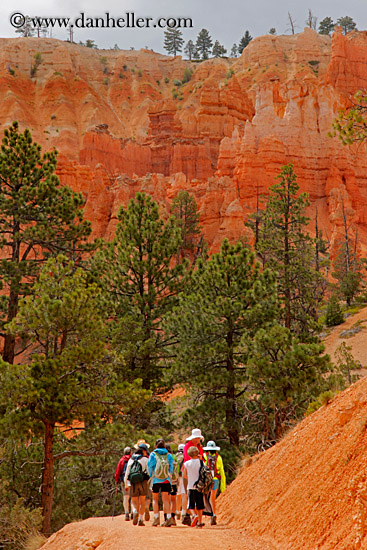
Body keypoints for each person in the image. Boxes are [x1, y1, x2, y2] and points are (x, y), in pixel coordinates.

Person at [148, 439, 174, 527]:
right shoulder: (168, 455)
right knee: (166, 499)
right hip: (166, 480)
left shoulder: (153, 454)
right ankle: (169, 518)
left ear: (155, 446)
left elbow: (150, 466)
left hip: (155, 479)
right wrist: (168, 475)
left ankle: (156, 519)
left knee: (155, 499)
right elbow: (171, 467)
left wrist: (151, 476)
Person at [182, 429, 204, 525]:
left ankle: (194, 517)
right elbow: (187, 458)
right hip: (191, 472)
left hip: (194, 474)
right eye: (196, 438)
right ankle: (189, 516)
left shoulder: (199, 447)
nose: (197, 440)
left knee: (192, 497)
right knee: (190, 497)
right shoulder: (187, 446)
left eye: (198, 438)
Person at [124, 443, 150, 526]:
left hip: (133, 483)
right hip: (142, 482)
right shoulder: (145, 459)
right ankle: (140, 519)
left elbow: (127, 473)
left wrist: (126, 483)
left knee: (134, 501)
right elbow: (148, 472)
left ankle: (135, 511)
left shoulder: (131, 460)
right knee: (142, 501)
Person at [203, 440, 226, 525]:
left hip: (206, 479)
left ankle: (204, 514)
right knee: (212, 498)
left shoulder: (204, 456)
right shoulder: (219, 458)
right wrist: (223, 487)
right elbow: (222, 472)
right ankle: (214, 514)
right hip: (215, 479)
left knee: (205, 497)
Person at [134, 439, 151, 522]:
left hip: (135, 480)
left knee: (136, 498)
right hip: (145, 480)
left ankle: (135, 511)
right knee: (146, 496)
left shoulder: (133, 458)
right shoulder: (148, 457)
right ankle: (146, 507)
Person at [114, 446, 132, 521]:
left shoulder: (122, 460)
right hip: (133, 480)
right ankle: (133, 513)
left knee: (126, 497)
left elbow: (118, 471)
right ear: (130, 452)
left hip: (124, 481)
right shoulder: (133, 459)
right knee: (133, 498)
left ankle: (127, 513)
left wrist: (117, 479)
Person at [176, 444, 186, 520]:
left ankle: (177, 511)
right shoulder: (186, 456)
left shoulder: (176, 456)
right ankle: (183, 512)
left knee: (177, 495)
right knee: (183, 495)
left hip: (176, 477)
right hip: (183, 476)